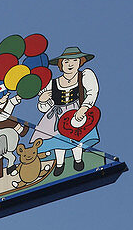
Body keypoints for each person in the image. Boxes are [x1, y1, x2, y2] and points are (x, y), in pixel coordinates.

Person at [35, 46, 99, 175]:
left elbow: (92, 92)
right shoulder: (52, 83)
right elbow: (44, 108)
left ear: (80, 62)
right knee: (58, 140)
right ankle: (59, 164)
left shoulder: (84, 75)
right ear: (61, 64)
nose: (70, 64)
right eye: (66, 61)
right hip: (56, 115)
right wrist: (42, 100)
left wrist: (84, 108)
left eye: (74, 61)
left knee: (77, 137)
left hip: (76, 111)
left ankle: (78, 159)